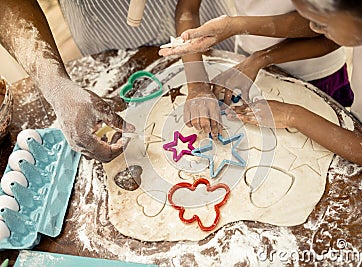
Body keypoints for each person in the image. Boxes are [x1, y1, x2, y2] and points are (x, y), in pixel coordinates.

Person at [0, 0, 232, 162]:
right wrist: (56, 86)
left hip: (199, 17)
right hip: (108, 31)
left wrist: (198, 80)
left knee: (231, 93)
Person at [230, 0, 362, 172]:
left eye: (322, 24)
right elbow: (330, 42)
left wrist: (292, 115)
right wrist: (260, 59)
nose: (312, 29)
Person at [161, 0, 354, 137]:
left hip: (314, 70)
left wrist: (237, 27)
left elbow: (323, 27)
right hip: (248, 60)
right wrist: (197, 85)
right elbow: (188, 8)